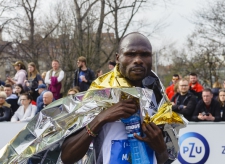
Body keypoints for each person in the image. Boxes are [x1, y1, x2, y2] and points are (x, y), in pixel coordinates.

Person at [61, 32, 170, 164]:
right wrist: (100, 119)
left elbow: (166, 159)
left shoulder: (157, 97)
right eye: (130, 54)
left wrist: (161, 149)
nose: (138, 60)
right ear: (118, 58)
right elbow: (67, 157)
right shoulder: (100, 94)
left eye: (145, 54)